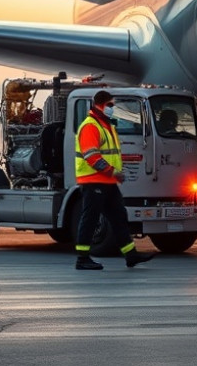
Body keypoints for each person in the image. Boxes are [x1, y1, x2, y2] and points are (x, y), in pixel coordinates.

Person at [74, 90, 155, 270]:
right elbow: (91, 156)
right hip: (94, 180)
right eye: (110, 105)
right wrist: (112, 172)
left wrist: (113, 174)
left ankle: (130, 254)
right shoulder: (91, 126)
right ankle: (82, 258)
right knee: (90, 218)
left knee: (119, 217)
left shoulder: (106, 125)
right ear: (100, 104)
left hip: (107, 182)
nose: (113, 108)